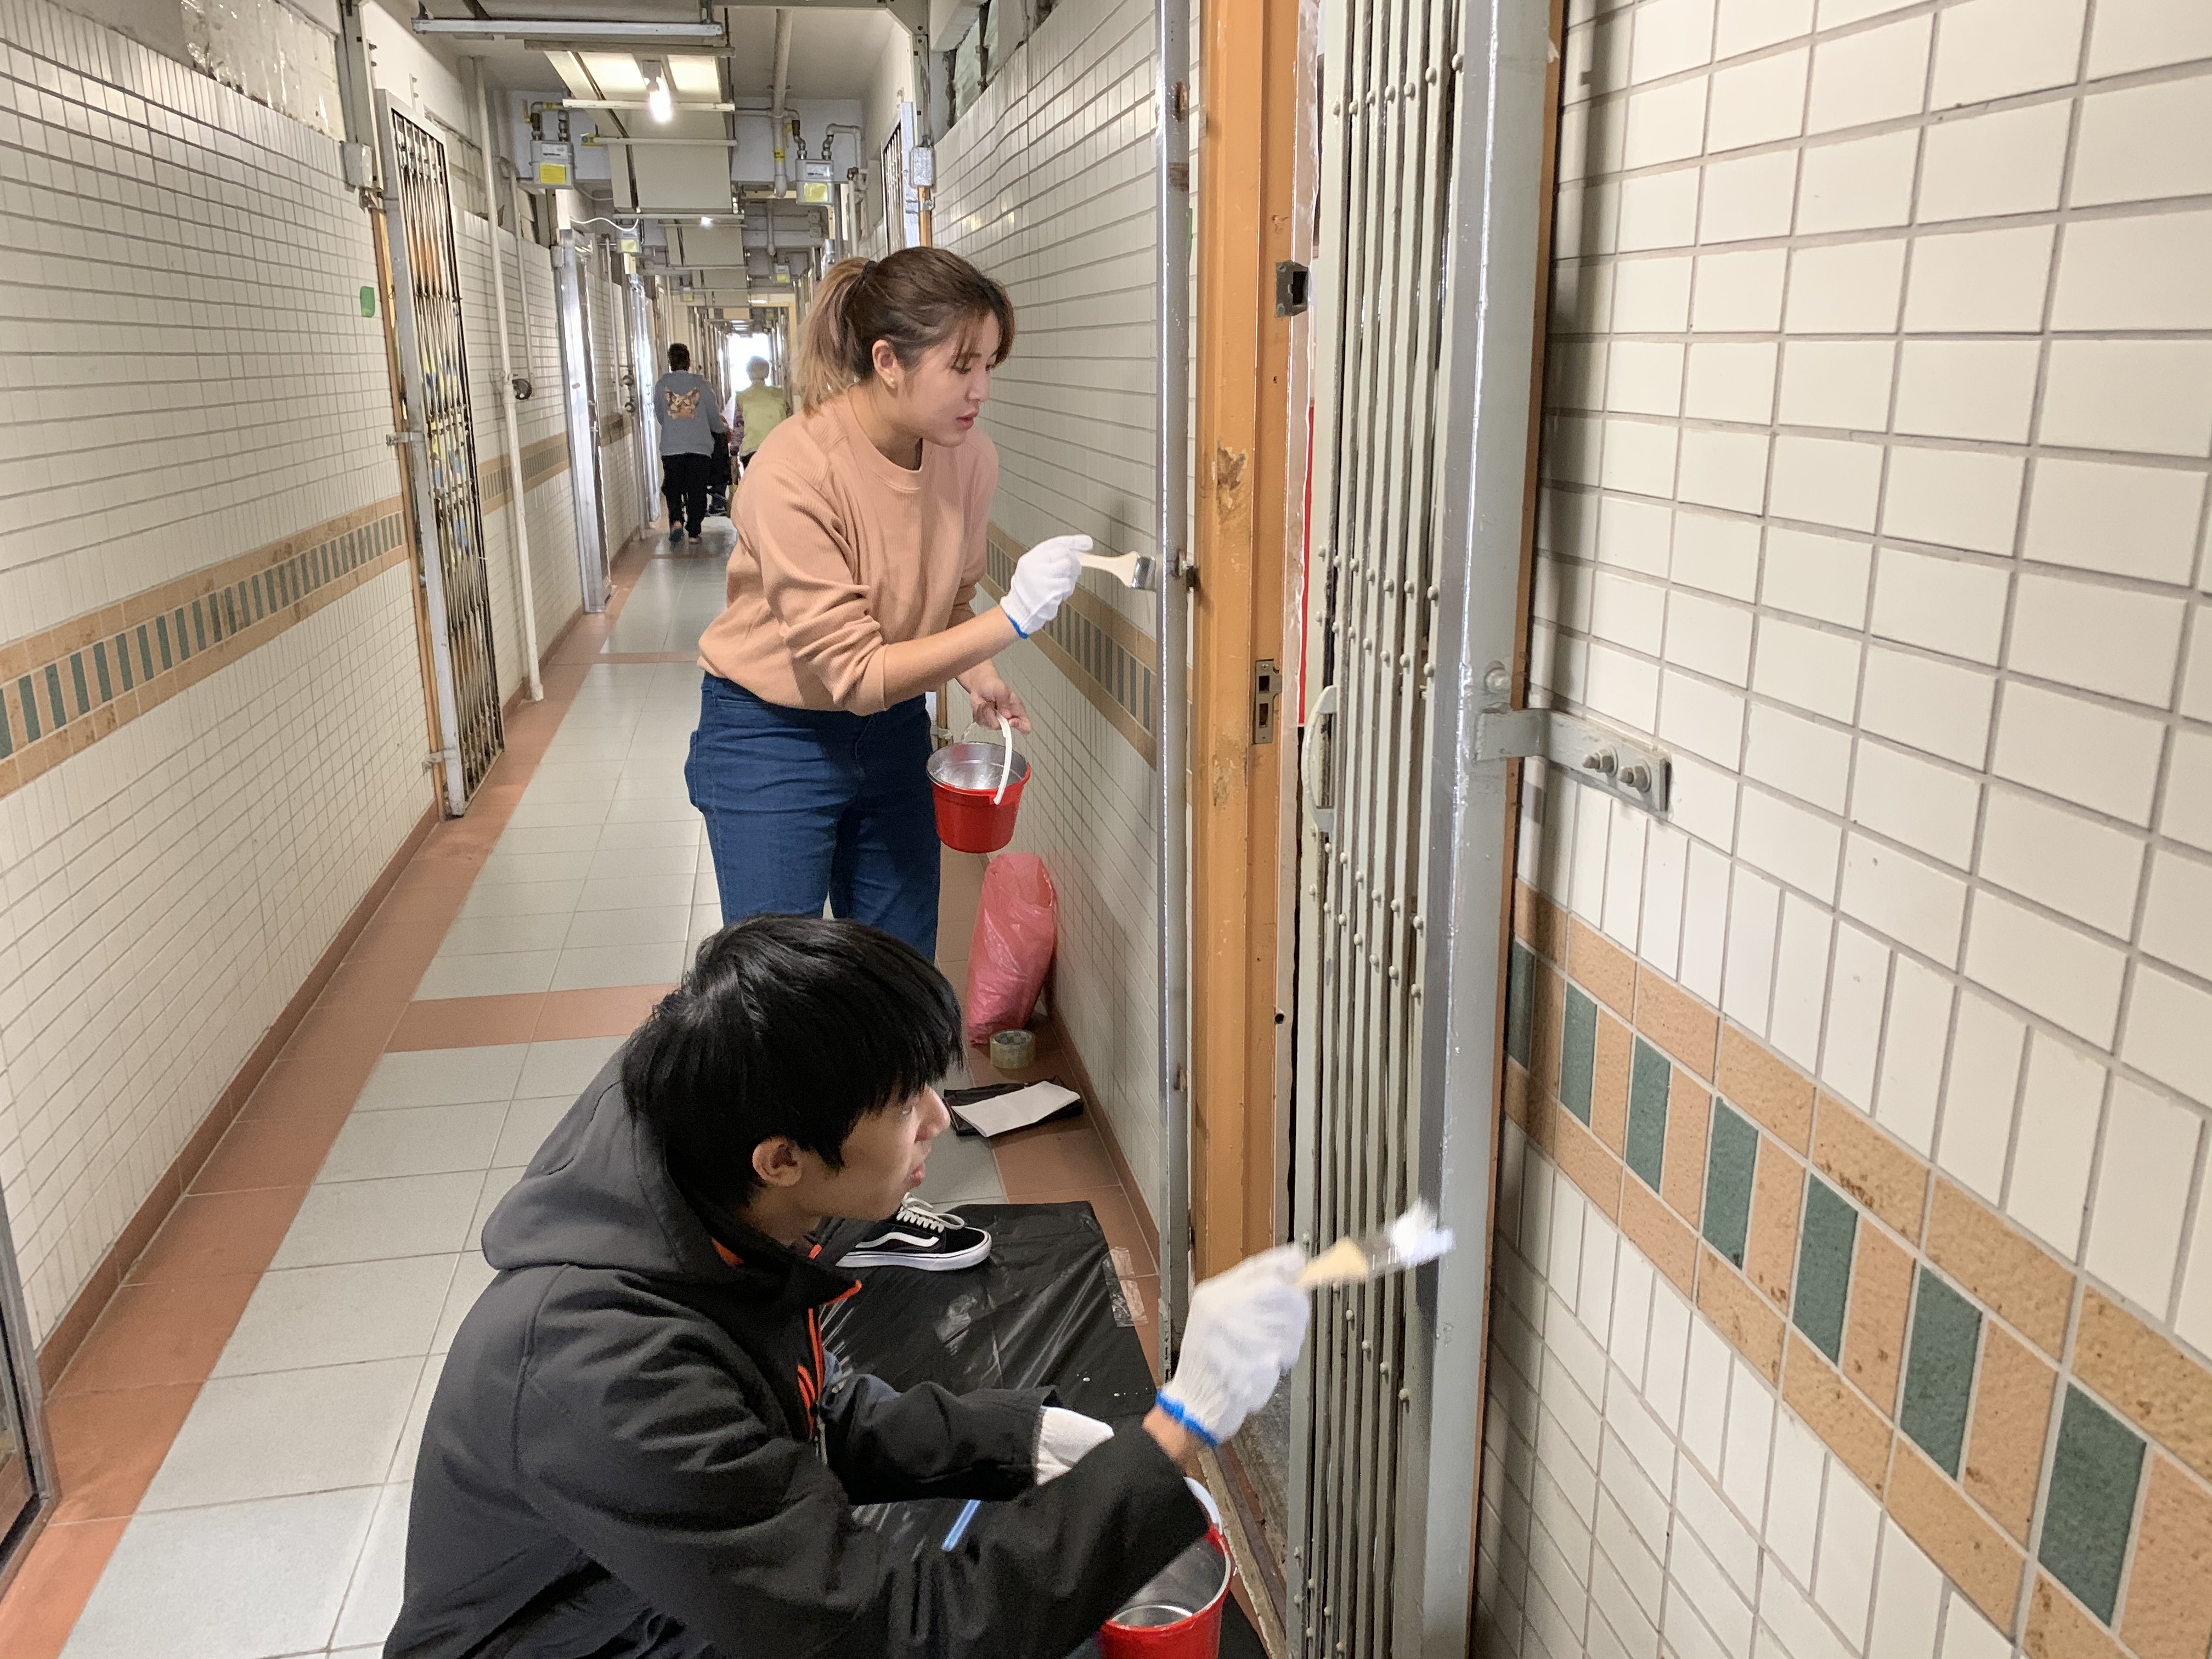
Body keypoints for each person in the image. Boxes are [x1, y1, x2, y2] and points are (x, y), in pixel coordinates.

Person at [382, 915, 1312, 1659]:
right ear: (782, 1157)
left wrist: (1009, 1435)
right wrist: (1176, 1428)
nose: (941, 1120)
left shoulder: (698, 1185)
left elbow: (791, 1409)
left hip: (656, 1597)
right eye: (907, 1105)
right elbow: (902, 1631)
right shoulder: (606, 1371)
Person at [686, 247, 1090, 964]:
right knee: (780, 985)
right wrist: (1014, 621)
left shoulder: (968, 458)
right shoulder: (792, 471)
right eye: (962, 367)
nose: (982, 390)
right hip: (770, 737)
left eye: (990, 365)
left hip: (892, 730)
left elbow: (949, 603)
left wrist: (978, 668)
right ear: (889, 360)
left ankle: (899, 1085)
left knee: (899, 970)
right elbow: (853, 673)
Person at [653, 343, 728, 544]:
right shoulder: (701, 384)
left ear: (670, 362)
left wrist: (674, 425)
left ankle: (676, 521)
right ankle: (694, 531)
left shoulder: (662, 385)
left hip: (671, 446)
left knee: (673, 486)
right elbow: (713, 416)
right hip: (699, 447)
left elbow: (661, 414)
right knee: (697, 488)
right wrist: (722, 431)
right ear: (689, 362)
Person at [733, 353, 788, 465]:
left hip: (752, 451)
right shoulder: (779, 394)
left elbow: (739, 428)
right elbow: (790, 421)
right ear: (767, 373)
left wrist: (734, 454)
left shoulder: (742, 397)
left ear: (749, 373)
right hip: (779, 449)